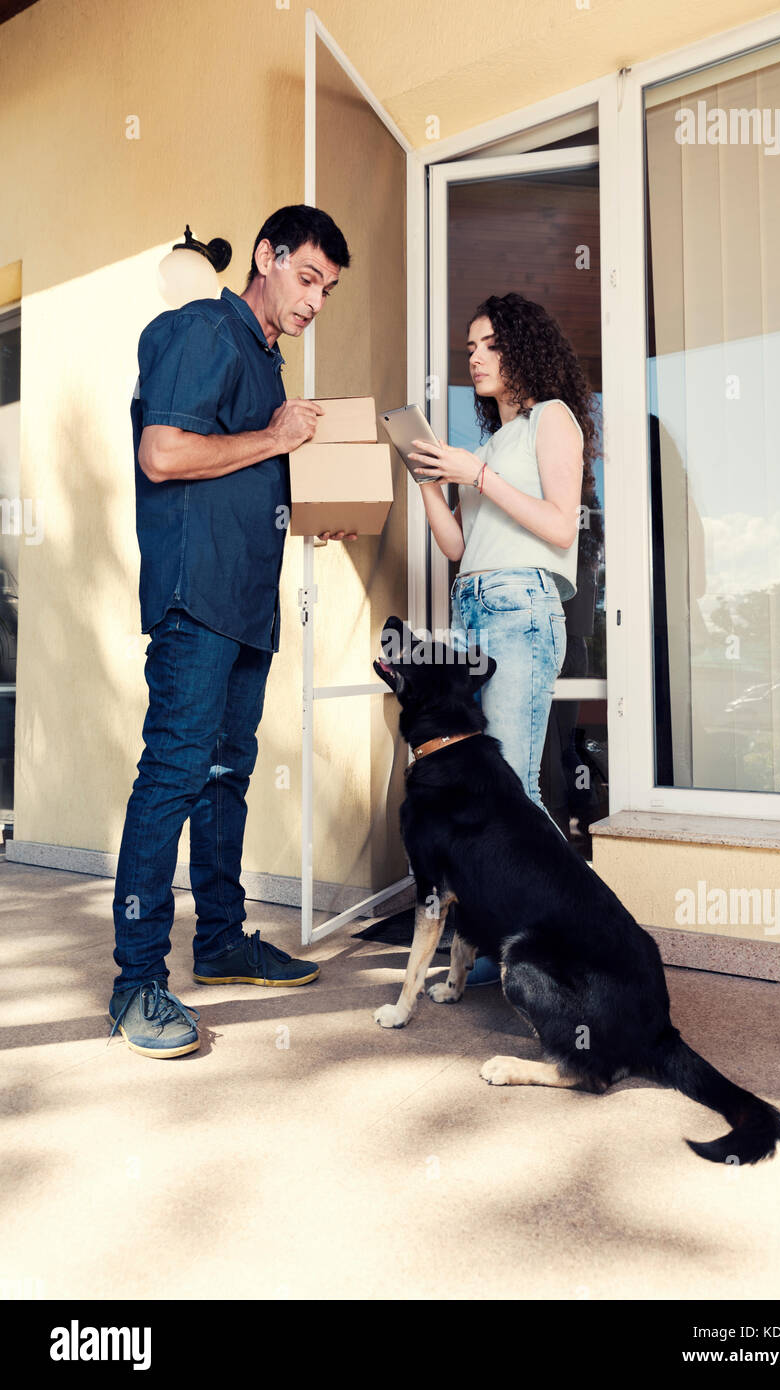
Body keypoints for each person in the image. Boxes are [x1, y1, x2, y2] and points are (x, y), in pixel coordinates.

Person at [110, 205, 356, 1059]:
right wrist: (276, 437)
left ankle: (219, 941)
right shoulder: (201, 330)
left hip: (249, 600)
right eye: (306, 276)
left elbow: (245, 473)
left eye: (327, 288)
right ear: (268, 255)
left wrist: (319, 511)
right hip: (196, 596)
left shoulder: (264, 362)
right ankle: (136, 982)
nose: (315, 298)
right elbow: (165, 455)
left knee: (226, 776)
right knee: (174, 773)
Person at [409, 291, 599, 984]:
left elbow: (557, 527)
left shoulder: (553, 420)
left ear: (522, 347)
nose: (475, 356)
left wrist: (477, 475)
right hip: (474, 606)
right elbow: (458, 544)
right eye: (470, 348)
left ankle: (569, 946)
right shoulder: (489, 443)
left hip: (521, 604)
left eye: (488, 343)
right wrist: (430, 483)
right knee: (487, 792)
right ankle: (508, 942)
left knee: (512, 788)